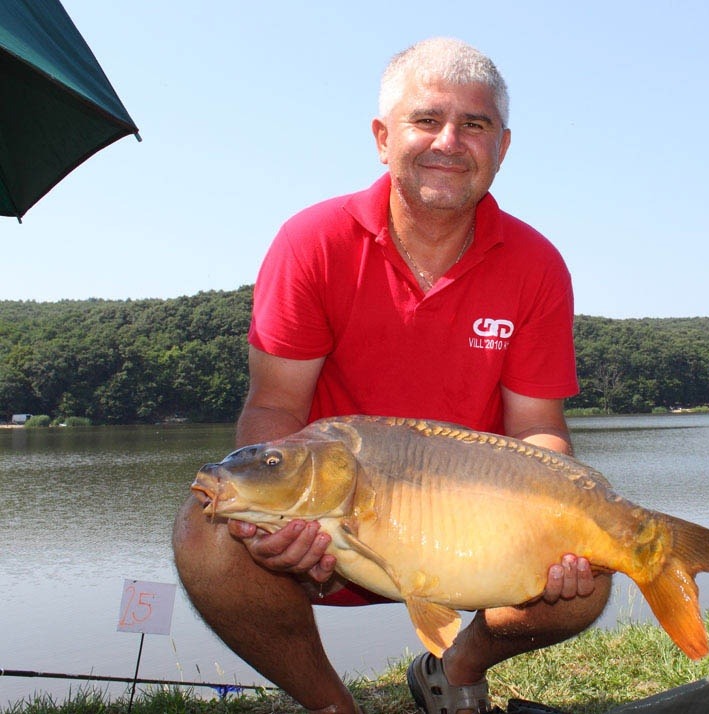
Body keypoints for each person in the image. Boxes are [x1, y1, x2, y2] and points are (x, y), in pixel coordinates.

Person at [172, 37, 610, 714]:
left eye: (475, 124)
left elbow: (538, 429)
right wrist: (288, 524)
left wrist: (572, 513)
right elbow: (273, 409)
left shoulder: (536, 264)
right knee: (208, 530)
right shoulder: (311, 241)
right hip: (332, 531)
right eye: (426, 120)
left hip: (469, 540)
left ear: (503, 147)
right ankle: (331, 705)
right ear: (383, 138)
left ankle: (454, 667)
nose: (449, 141)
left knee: (590, 577)